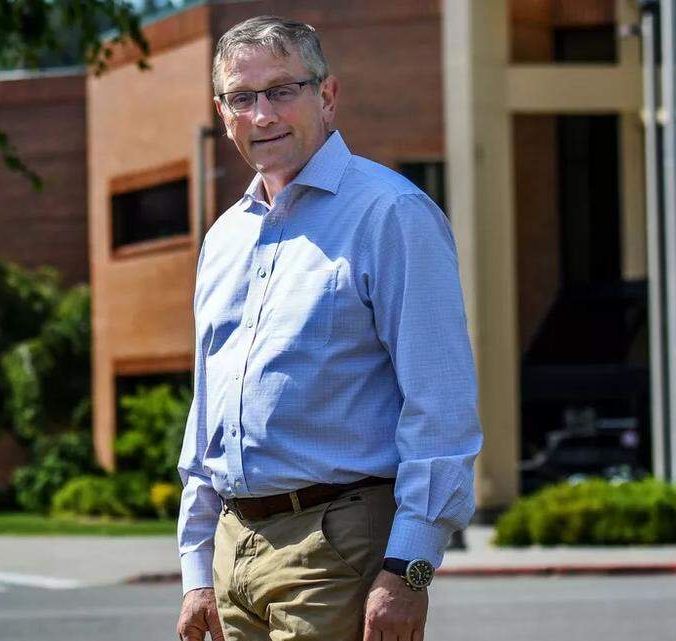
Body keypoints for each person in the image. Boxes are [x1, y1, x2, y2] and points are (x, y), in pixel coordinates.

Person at [176, 15, 482, 641]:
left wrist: (411, 571)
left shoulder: (392, 214)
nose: (263, 115)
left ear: (328, 96)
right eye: (242, 98)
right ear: (222, 111)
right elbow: (208, 410)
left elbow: (442, 407)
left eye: (282, 90)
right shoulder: (225, 237)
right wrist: (197, 568)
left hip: (338, 546)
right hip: (235, 549)